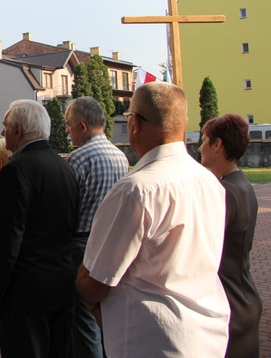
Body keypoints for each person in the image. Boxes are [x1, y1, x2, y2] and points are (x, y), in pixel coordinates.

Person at [76, 82, 230, 357]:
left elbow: (94, 282)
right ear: (183, 123)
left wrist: (88, 294)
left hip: (152, 340)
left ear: (134, 124)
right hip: (207, 334)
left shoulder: (136, 190)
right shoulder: (210, 181)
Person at [0, 100, 78, 357]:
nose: (2, 133)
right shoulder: (65, 167)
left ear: (18, 130)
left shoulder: (15, 170)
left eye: (5, 127)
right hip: (62, 284)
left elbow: (6, 241)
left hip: (25, 293)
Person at [64, 96, 129, 358]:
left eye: (68, 126)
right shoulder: (120, 156)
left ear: (82, 126)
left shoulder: (78, 158)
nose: (67, 132)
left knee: (84, 319)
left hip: (82, 245)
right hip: (113, 242)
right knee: (105, 314)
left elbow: (68, 208)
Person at [200, 114, 262, 357]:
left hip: (229, 305)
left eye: (205, 140)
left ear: (217, 145)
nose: (201, 147)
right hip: (244, 296)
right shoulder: (242, 184)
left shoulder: (223, 192)